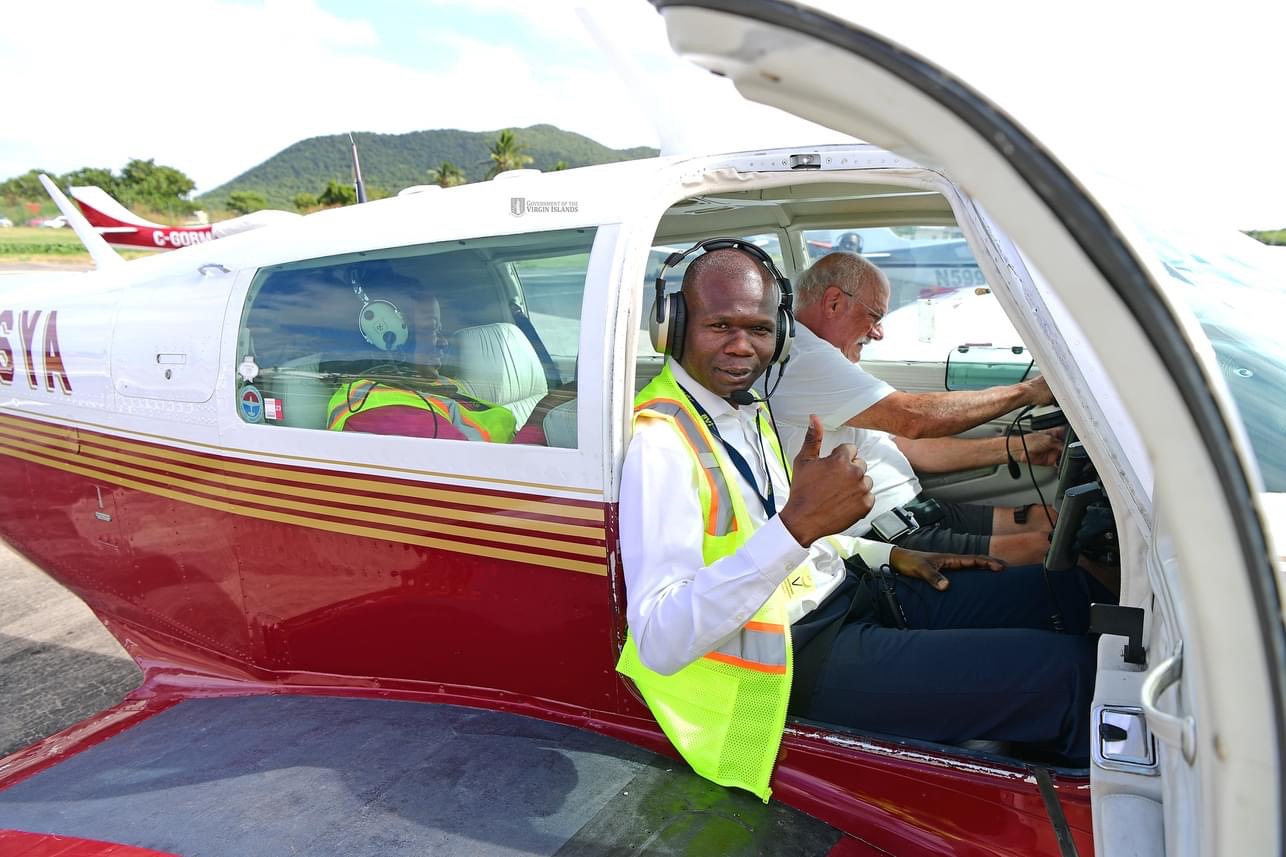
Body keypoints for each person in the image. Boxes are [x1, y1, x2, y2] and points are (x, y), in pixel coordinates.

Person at [617, 244, 1104, 802]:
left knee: (1068, 596)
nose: (741, 346)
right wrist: (798, 526)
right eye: (719, 325)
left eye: (757, 328)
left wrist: (886, 555)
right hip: (793, 656)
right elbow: (658, 639)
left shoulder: (744, 412)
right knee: (1069, 675)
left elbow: (792, 543)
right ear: (672, 327)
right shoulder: (661, 444)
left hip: (851, 592)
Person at [770, 251, 1061, 563]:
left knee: (1052, 521)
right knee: (1054, 551)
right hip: (885, 535)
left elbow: (915, 446)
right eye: (874, 316)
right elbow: (914, 419)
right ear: (834, 303)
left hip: (916, 510)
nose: (878, 333)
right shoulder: (803, 359)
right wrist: (1029, 391)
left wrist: (1019, 448)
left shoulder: (832, 363)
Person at [325, 291, 533, 443]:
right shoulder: (386, 415)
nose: (444, 342)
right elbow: (472, 472)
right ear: (394, 340)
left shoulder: (426, 384)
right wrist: (540, 424)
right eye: (432, 329)